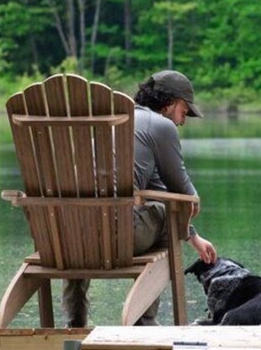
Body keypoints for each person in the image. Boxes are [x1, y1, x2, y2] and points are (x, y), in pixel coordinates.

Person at [63, 70, 218, 327]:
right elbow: (184, 195)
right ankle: (144, 320)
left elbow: (160, 188)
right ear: (169, 104)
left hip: (68, 237)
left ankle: (75, 322)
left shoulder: (112, 121)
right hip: (119, 236)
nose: (183, 120)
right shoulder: (161, 126)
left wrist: (192, 236)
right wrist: (193, 201)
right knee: (168, 213)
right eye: (184, 111)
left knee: (85, 214)